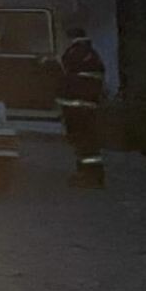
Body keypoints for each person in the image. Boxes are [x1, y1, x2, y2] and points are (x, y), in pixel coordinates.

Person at [58, 27, 108, 188]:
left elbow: (68, 75)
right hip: (85, 105)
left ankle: (90, 176)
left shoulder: (77, 52)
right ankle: (88, 174)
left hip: (79, 107)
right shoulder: (90, 53)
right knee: (85, 141)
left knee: (84, 141)